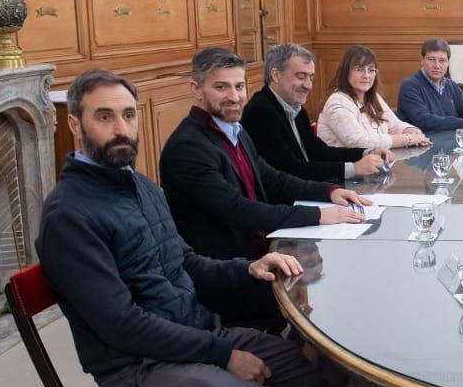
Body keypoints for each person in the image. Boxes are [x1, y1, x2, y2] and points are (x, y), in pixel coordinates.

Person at [37, 69, 370, 387]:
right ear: (76, 126)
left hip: (195, 331)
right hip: (138, 366)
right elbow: (121, 325)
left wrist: (248, 267)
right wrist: (222, 354)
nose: (121, 128)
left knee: (333, 378)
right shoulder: (70, 215)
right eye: (104, 117)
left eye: (128, 115)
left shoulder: (140, 186)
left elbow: (185, 263)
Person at [159, 48, 371, 265]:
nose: (234, 97)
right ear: (196, 90)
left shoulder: (235, 129)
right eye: (221, 87)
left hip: (259, 249)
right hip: (230, 267)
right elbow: (237, 210)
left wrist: (330, 192)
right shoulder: (188, 147)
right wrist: (318, 214)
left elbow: (272, 178)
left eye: (239, 86)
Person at [240, 43, 387, 183]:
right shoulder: (259, 112)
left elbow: (319, 152)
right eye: (300, 76)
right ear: (276, 75)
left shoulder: (296, 109)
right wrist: (353, 168)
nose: (309, 85)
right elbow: (288, 169)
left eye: (311, 77)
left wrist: (366, 153)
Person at [317, 44, 430, 151]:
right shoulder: (337, 102)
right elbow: (359, 142)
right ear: (346, 72)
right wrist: (408, 139)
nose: (366, 75)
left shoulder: (373, 97)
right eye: (359, 69)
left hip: (373, 164)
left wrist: (414, 132)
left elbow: (395, 125)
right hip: (346, 168)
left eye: (371, 70)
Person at [397, 38, 463, 132]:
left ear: (448, 63)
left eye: (442, 60)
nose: (437, 65)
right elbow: (423, 120)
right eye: (431, 59)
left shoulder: (451, 85)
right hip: (420, 146)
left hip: (448, 144)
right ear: (422, 60)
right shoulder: (410, 85)